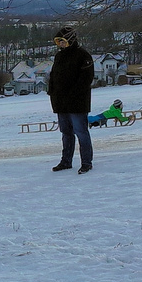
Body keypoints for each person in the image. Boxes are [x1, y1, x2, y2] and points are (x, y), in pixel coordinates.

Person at [48, 26, 96, 173]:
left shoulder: (83, 55)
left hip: (77, 103)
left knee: (81, 132)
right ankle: (66, 161)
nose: (61, 44)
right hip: (61, 102)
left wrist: (73, 94)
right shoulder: (59, 56)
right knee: (66, 133)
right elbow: (53, 76)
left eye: (63, 41)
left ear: (70, 40)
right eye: (59, 42)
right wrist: (52, 92)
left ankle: (86, 162)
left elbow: (86, 79)